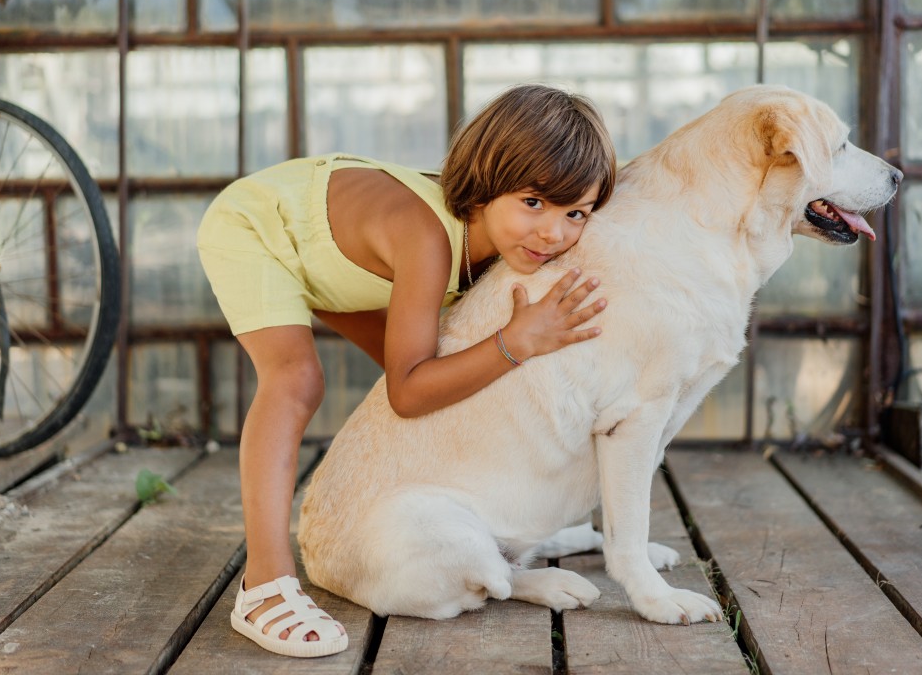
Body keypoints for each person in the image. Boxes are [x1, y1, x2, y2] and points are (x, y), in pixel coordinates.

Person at [196, 83, 617, 658]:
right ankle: (264, 584)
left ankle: (491, 524)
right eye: (534, 203)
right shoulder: (427, 241)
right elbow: (408, 395)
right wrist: (515, 341)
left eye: (577, 214)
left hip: (341, 252)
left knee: (449, 373)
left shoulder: (504, 245)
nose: (554, 233)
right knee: (298, 380)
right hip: (263, 226)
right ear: (489, 180)